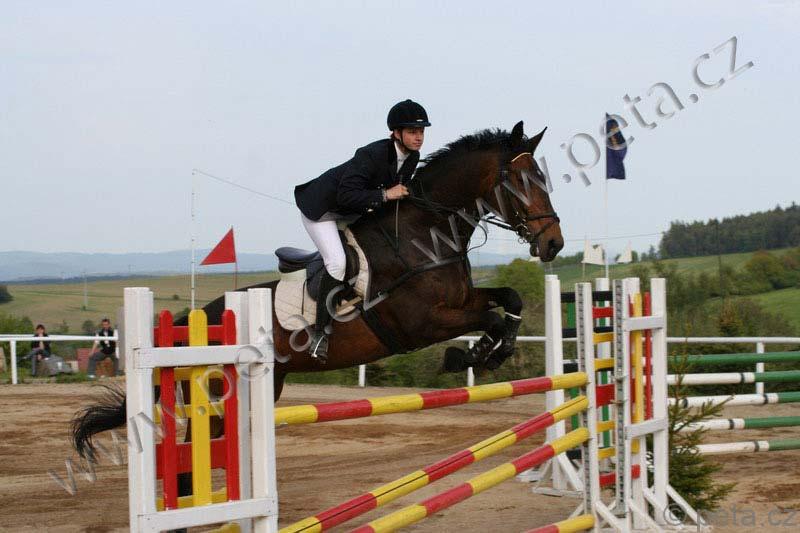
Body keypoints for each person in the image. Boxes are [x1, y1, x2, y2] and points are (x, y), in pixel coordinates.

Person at [294, 99, 430, 359]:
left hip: (353, 211)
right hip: (322, 211)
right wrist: (385, 194)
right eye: (413, 131)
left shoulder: (412, 157)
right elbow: (347, 195)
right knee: (337, 263)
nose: (419, 137)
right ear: (396, 133)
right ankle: (320, 335)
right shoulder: (372, 154)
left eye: (422, 131)